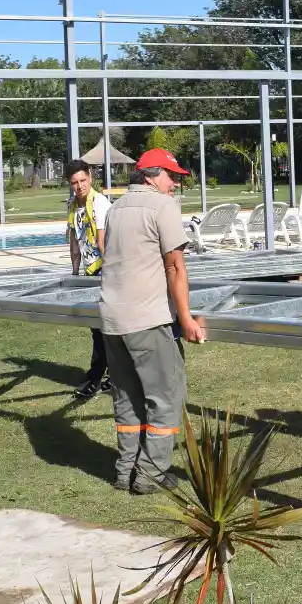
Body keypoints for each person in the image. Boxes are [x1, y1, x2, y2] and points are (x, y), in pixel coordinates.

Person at [99, 147, 207, 494]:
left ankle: (124, 471)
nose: (175, 184)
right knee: (166, 397)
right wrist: (186, 317)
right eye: (172, 176)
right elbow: (175, 266)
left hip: (112, 318)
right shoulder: (162, 206)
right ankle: (150, 475)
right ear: (152, 175)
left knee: (127, 397)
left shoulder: (116, 208)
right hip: (146, 318)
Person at [64, 158, 114, 399]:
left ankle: (96, 378)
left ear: (90, 178)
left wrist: (111, 275)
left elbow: (104, 242)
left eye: (83, 180)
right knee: (98, 328)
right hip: (89, 272)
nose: (79, 186)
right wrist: (75, 273)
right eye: (75, 182)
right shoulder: (73, 206)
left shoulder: (100, 203)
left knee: (105, 327)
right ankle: (110, 375)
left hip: (105, 270)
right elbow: (74, 240)